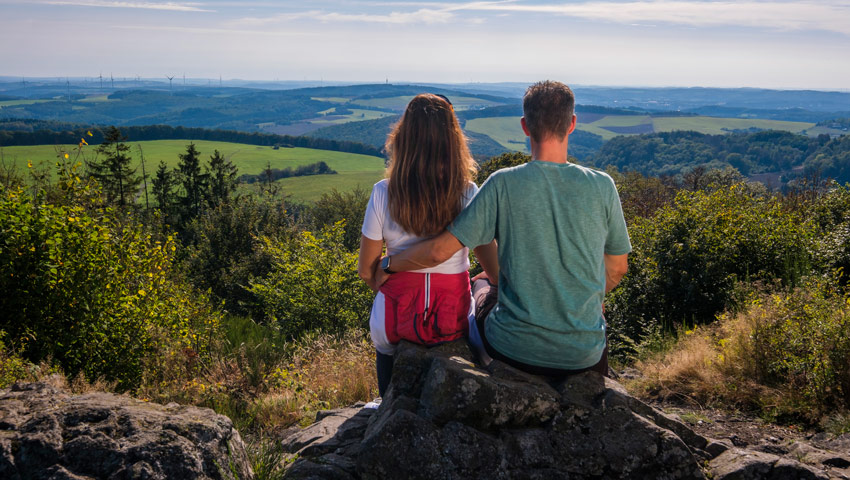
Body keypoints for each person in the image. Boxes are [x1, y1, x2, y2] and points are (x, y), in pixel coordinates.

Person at [375, 81, 631, 379]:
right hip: (586, 355)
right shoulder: (603, 186)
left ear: (525, 126)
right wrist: (580, 302)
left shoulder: (502, 183)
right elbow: (617, 270)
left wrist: (388, 264)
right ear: (572, 124)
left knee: (481, 285)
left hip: (514, 351)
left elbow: (437, 251)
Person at [357, 93, 498, 399]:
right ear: (453, 140)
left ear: (404, 138)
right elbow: (493, 267)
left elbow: (367, 271)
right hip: (451, 317)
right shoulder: (468, 193)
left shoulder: (383, 193)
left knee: (385, 351)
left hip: (396, 319)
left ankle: (388, 406)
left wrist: (391, 281)